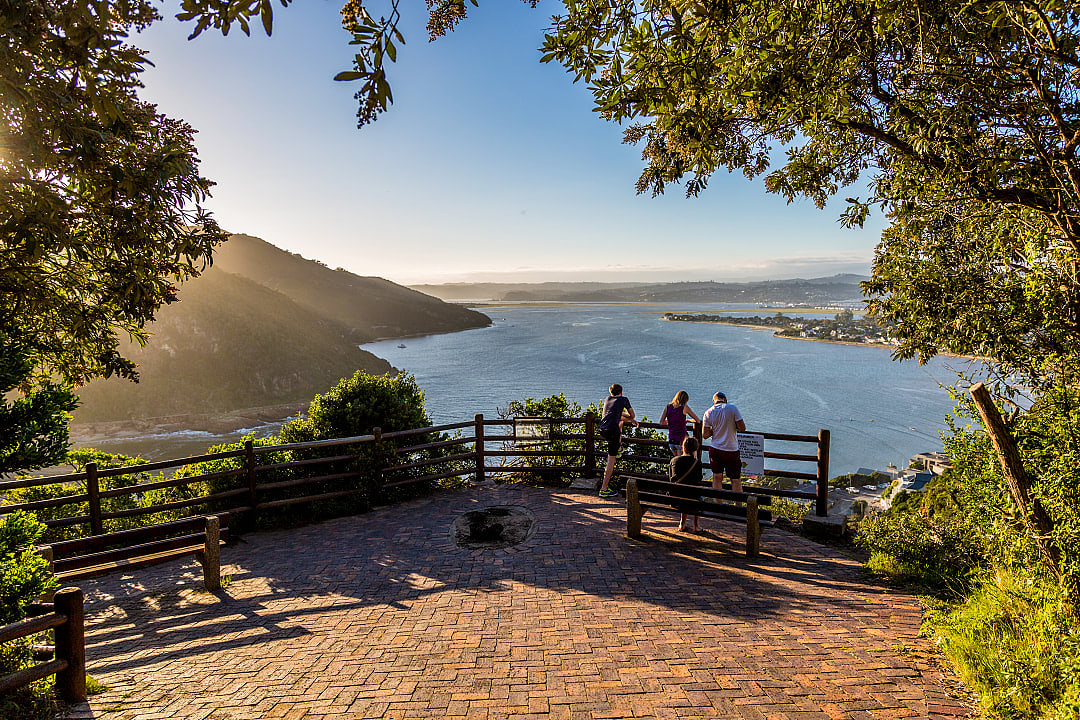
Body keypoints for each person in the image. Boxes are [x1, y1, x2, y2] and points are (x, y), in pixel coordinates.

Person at [702, 391, 746, 492]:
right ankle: (738, 506)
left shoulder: (708, 412)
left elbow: (705, 435)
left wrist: (715, 429)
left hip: (716, 449)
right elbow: (742, 428)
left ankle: (718, 505)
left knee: (717, 478)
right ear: (725, 400)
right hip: (732, 449)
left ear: (714, 401)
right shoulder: (733, 408)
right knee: (735, 480)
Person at [598, 383, 636, 498]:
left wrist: (624, 418)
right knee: (611, 461)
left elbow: (614, 414)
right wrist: (630, 419)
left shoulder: (607, 399)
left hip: (602, 429)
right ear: (621, 392)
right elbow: (632, 415)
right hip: (612, 431)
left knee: (620, 422)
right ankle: (604, 489)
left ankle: (619, 448)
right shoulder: (624, 400)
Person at [669, 436, 703, 532]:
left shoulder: (674, 460)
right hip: (692, 498)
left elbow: (671, 479)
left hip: (675, 498)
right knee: (696, 496)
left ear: (683, 447)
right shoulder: (697, 463)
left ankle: (682, 524)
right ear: (695, 449)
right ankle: (696, 526)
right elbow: (698, 479)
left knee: (684, 493)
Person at [659, 390, 701, 456]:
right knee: (682, 463)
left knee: (676, 461)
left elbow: (661, 422)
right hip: (681, 440)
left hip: (671, 440)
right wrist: (688, 420)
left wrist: (670, 421)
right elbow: (697, 420)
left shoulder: (668, 407)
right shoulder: (684, 407)